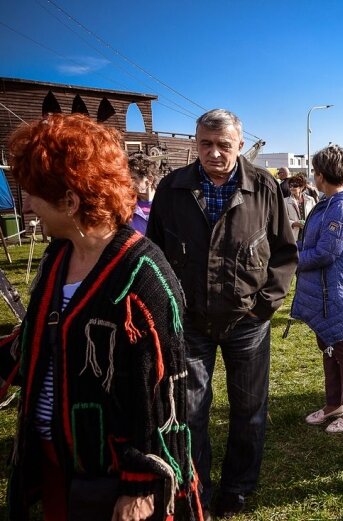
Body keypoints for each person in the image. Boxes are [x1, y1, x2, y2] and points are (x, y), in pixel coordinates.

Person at [1, 114, 200, 521]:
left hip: (112, 481)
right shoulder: (59, 255)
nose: (29, 205)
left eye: (34, 194)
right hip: (57, 465)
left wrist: (141, 483)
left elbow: (162, 394)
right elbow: (40, 339)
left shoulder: (143, 276)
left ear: (71, 201)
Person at [147, 109, 298, 518]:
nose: (214, 153)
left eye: (224, 145)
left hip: (247, 323)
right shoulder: (173, 187)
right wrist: (169, 308)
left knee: (249, 410)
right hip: (190, 322)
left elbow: (284, 253)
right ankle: (198, 487)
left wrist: (263, 306)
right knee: (190, 410)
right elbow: (154, 252)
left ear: (240, 144)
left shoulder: (264, 187)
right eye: (206, 144)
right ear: (196, 142)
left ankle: (238, 487)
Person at [291, 145, 343, 434]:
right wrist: (292, 249)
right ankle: (334, 403)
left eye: (314, 172)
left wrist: (291, 260)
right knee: (327, 345)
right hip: (324, 291)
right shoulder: (327, 204)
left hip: (338, 291)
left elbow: (326, 253)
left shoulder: (341, 208)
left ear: (321, 175)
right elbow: (312, 244)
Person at [127, 152, 161, 234]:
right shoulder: (128, 207)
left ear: (149, 180)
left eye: (133, 178)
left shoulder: (165, 206)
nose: (128, 183)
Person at [285, 174, 317, 242]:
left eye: (295, 186)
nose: (292, 188)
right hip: (293, 235)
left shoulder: (310, 200)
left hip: (308, 234)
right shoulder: (285, 201)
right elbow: (283, 219)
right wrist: (294, 223)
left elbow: (315, 215)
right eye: (290, 186)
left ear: (301, 187)